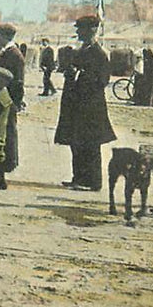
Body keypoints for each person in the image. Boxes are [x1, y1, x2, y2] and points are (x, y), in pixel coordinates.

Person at [54, 15, 116, 191]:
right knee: (77, 143)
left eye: (80, 29)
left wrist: (80, 75)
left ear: (92, 31)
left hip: (90, 108)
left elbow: (102, 81)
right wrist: (70, 73)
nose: (78, 32)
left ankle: (93, 182)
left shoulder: (99, 53)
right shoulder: (83, 50)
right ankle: (79, 178)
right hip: (78, 107)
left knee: (90, 145)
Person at [0, 23, 25, 177]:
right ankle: (3, 167)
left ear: (4, 36)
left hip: (8, 100)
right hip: (5, 99)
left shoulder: (14, 54)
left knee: (7, 133)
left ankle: (6, 165)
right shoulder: (8, 52)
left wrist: (15, 102)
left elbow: (19, 82)